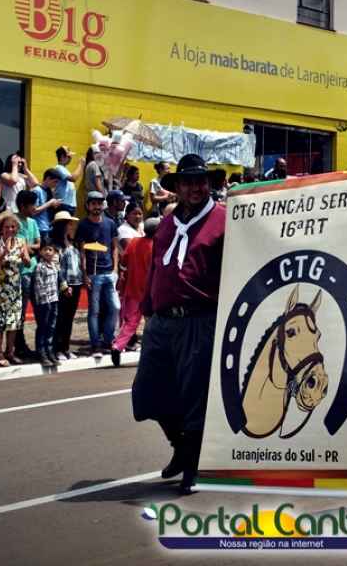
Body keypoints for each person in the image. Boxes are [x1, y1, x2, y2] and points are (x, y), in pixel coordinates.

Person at [132, 153, 226, 494]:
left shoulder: (223, 220)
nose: (194, 188)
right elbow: (157, 266)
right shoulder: (169, 222)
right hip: (162, 320)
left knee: (194, 395)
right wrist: (147, 306)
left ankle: (193, 464)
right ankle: (180, 446)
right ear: (178, 187)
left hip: (199, 319)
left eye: (200, 181)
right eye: (187, 182)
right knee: (147, 392)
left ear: (209, 184)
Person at [76, 191, 120, 359]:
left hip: (109, 272)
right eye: (93, 203)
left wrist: (115, 269)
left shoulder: (110, 223)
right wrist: (85, 274)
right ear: (88, 205)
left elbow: (115, 247)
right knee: (94, 311)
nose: (97, 207)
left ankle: (108, 340)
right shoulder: (83, 225)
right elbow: (82, 252)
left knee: (115, 307)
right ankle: (95, 344)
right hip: (93, 274)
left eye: (99, 203)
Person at [112, 217, 158, 364]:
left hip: (132, 289)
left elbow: (124, 262)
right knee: (153, 323)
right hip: (149, 291)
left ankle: (117, 346)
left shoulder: (134, 242)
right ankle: (151, 351)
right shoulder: (156, 247)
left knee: (130, 322)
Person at [0, 211, 31, 367]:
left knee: (13, 321)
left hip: (14, 287)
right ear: (1, 228)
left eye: (13, 227)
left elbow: (27, 262)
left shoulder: (21, 241)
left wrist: (25, 258)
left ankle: (10, 352)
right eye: (7, 227)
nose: (10, 229)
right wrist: (4, 253)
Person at [14, 190, 42, 361]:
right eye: (32, 205)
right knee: (21, 311)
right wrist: (27, 248)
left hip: (34, 269)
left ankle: (40, 345)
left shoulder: (33, 222)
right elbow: (17, 246)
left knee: (39, 309)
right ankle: (19, 345)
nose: (35, 208)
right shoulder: (13, 222)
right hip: (21, 272)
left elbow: (38, 245)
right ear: (23, 206)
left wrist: (26, 247)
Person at [51, 211, 83, 361]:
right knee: (61, 317)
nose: (71, 226)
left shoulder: (73, 242)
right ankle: (57, 348)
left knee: (69, 317)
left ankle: (65, 347)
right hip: (64, 284)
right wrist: (63, 285)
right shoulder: (55, 245)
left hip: (76, 283)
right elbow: (57, 267)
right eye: (69, 224)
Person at [33, 240, 66, 367]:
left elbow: (57, 282)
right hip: (44, 303)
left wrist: (64, 289)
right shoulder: (39, 267)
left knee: (51, 327)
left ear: (54, 252)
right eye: (45, 249)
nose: (48, 252)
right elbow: (39, 286)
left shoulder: (54, 266)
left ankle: (50, 351)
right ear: (40, 252)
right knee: (43, 327)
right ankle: (41, 352)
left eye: (50, 250)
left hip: (54, 301)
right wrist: (44, 302)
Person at [34, 169, 64, 245]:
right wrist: (50, 203)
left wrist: (55, 204)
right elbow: (34, 211)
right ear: (48, 178)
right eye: (55, 181)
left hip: (47, 226)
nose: (56, 184)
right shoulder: (37, 191)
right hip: (39, 228)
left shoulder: (48, 191)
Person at [52, 146, 81, 216]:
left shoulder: (64, 169)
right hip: (64, 204)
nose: (70, 159)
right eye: (69, 157)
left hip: (69, 204)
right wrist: (81, 165)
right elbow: (73, 178)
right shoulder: (59, 168)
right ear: (62, 157)